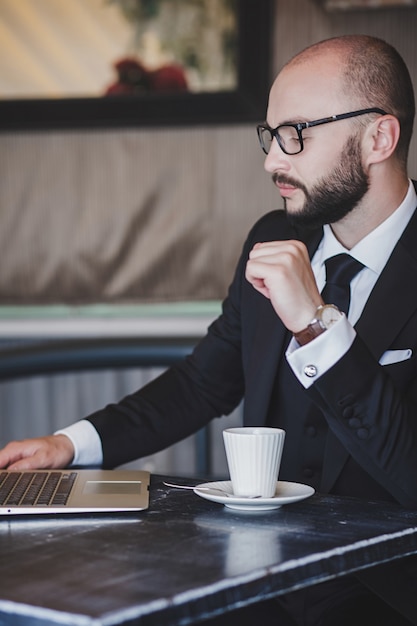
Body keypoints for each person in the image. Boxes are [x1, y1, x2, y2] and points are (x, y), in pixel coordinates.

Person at [1, 34, 417, 625]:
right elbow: (202, 384)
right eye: (271, 137)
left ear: (379, 136)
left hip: (389, 594)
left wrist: (317, 326)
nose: (274, 159)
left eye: (297, 134)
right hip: (255, 577)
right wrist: (69, 446)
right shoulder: (273, 236)